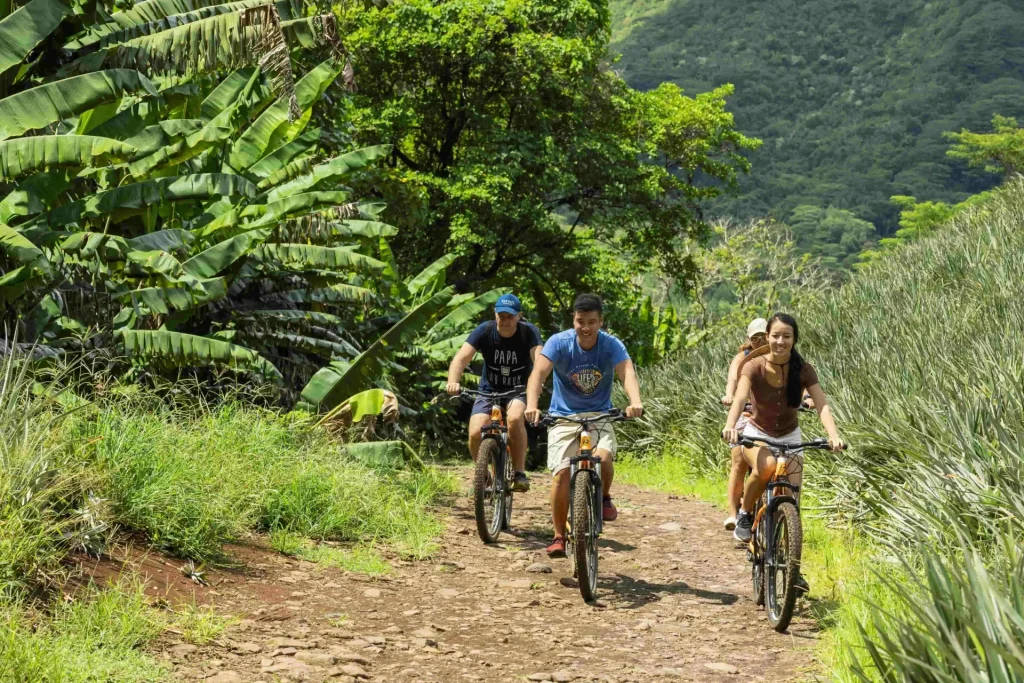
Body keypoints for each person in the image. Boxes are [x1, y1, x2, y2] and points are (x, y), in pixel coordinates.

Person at [524, 293, 644, 558]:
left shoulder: (611, 345)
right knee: (561, 475)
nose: (586, 327)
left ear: (601, 321)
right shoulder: (559, 342)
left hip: (600, 414)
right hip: (563, 417)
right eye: (580, 321)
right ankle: (558, 535)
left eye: (592, 321)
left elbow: (627, 373)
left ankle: (604, 497)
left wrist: (635, 401)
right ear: (573, 320)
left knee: (604, 458)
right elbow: (538, 374)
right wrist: (532, 404)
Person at [722, 313, 845, 544]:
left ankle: (792, 566)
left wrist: (833, 436)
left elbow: (822, 405)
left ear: (794, 339)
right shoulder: (754, 366)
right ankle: (745, 514)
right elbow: (739, 399)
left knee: (792, 500)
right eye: (776, 336)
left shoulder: (804, 369)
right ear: (767, 337)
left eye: (786, 336)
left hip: (790, 435)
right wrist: (730, 426)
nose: (781, 341)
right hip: (757, 433)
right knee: (766, 467)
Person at [446, 294, 543, 492]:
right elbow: (460, 359)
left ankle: (519, 473)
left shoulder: (529, 332)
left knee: (515, 419)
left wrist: (535, 391)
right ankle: (483, 473)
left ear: (519, 316)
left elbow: (540, 365)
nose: (505, 320)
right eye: (502, 315)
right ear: (495, 314)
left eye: (510, 316)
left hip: (518, 389)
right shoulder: (485, 331)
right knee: (475, 432)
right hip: (488, 390)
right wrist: (452, 382)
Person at [720, 318, 769, 531]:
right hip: (744, 412)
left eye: (763, 337)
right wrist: (729, 395)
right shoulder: (742, 358)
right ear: (749, 339)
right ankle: (733, 514)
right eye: (755, 338)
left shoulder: (777, 357)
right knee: (739, 459)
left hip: (768, 415)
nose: (760, 341)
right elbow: (732, 379)